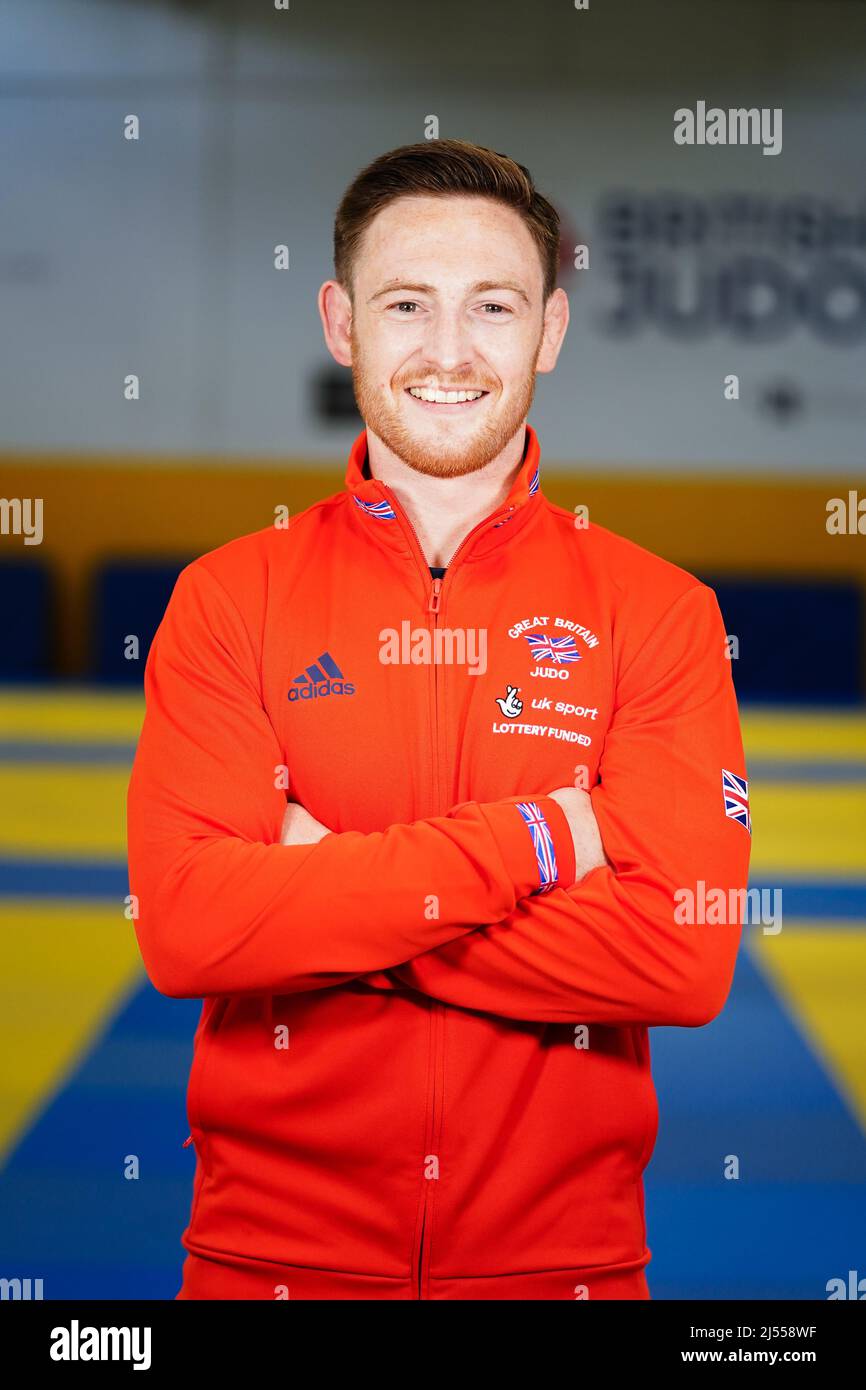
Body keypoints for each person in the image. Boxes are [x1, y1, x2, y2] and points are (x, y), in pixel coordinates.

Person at [126, 138, 751, 1301]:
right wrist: (540, 843)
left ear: (550, 331)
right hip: (264, 1263)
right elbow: (191, 929)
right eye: (406, 303)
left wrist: (326, 892)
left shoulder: (658, 613)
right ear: (341, 322)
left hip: (564, 1266)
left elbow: (679, 955)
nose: (449, 351)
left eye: (494, 306)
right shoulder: (228, 598)